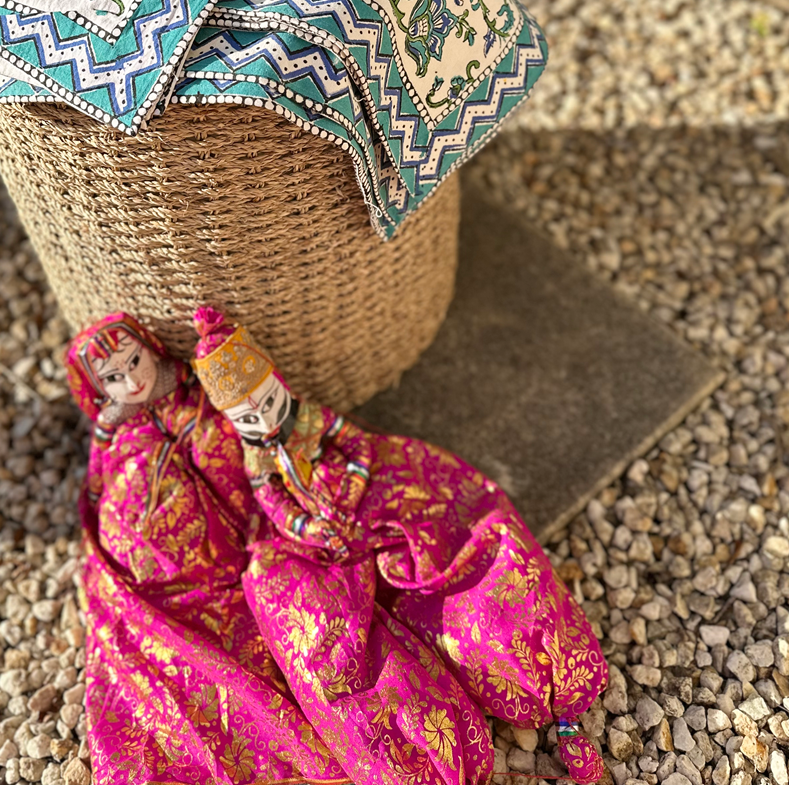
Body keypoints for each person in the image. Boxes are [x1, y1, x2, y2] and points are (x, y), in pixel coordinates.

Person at [192, 306, 608, 785]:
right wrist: (310, 530)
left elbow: (356, 446)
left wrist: (350, 490)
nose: (263, 419)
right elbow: (273, 504)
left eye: (267, 401)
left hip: (357, 498)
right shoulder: (257, 457)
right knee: (338, 640)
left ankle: (545, 686)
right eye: (247, 415)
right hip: (319, 533)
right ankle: (420, 743)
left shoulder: (308, 419)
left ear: (278, 384)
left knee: (446, 554)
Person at [65, 312, 348, 785]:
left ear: (153, 350)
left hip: (229, 530)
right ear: (98, 388)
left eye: (135, 361)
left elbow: (238, 440)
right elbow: (98, 481)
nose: (133, 380)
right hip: (150, 550)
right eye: (114, 377)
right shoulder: (113, 425)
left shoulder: (190, 391)